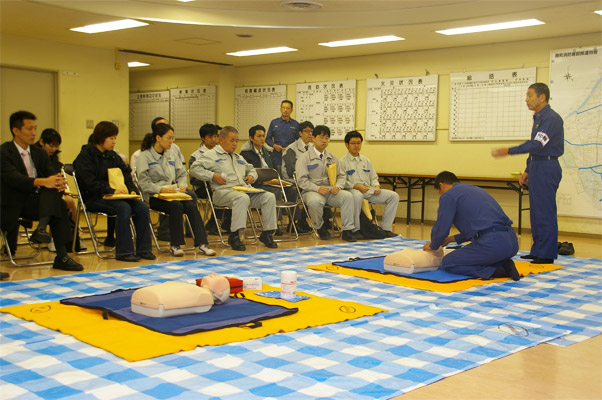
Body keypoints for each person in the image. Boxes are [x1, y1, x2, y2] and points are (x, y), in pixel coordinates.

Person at [491, 82, 564, 264]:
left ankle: (546, 254)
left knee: (545, 212)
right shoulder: (539, 118)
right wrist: (527, 170)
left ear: (542, 97)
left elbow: (537, 145)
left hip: (547, 167)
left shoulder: (551, 118)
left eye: (530, 95)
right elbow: (535, 150)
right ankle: (538, 250)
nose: (526, 99)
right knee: (536, 213)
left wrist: (509, 150)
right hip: (537, 166)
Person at [1, 111, 83, 271]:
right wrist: (44, 181)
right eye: (29, 129)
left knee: (57, 199)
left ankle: (48, 237)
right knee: (57, 202)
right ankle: (57, 249)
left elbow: (50, 174)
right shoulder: (4, 152)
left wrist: (58, 182)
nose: (33, 133)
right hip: (13, 202)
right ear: (16, 131)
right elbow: (13, 178)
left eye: (35, 128)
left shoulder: (39, 153)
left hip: (38, 202)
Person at [74, 121, 155, 262]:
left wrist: (132, 190)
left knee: (142, 207)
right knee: (123, 208)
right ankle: (124, 252)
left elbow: (126, 173)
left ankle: (144, 249)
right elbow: (90, 183)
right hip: (94, 197)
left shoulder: (112, 155)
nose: (114, 142)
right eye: (111, 138)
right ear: (101, 138)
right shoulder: (85, 157)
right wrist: (111, 190)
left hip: (116, 196)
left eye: (115, 138)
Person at [189, 126, 278, 251]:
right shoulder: (211, 155)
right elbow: (193, 169)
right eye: (232, 140)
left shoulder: (237, 157)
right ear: (221, 140)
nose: (235, 144)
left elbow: (251, 169)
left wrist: (251, 176)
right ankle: (234, 235)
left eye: (236, 141)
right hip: (223, 192)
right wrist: (212, 176)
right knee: (241, 198)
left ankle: (267, 233)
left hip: (243, 190)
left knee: (269, 197)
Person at [422, 171, 520, 280]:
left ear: (441, 184)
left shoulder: (449, 195)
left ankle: (499, 270)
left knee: (449, 262)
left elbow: (442, 226)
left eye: (440, 192)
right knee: (476, 253)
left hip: (493, 245)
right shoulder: (474, 190)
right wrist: (450, 239)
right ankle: (502, 262)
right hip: (511, 243)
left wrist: (433, 245)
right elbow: (480, 228)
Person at [136, 123, 215, 256]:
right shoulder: (144, 156)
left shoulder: (171, 154)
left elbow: (182, 174)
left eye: (172, 138)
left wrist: (182, 185)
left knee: (191, 205)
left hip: (174, 193)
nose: (171, 141)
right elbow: (143, 183)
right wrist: (161, 189)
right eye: (169, 138)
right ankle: (175, 245)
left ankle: (202, 244)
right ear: (158, 138)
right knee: (176, 206)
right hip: (155, 196)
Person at [295, 125, 357, 242]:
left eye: (327, 138)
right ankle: (320, 227)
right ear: (313, 138)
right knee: (315, 202)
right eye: (321, 137)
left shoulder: (332, 157)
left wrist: (338, 187)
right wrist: (317, 188)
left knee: (348, 196)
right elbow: (302, 180)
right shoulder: (304, 158)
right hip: (311, 191)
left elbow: (341, 176)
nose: (324, 141)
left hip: (330, 190)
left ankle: (347, 230)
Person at [241, 125, 304, 235]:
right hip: (257, 184)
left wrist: (278, 180)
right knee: (275, 191)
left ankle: (294, 222)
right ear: (251, 138)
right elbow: (247, 173)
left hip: (271, 182)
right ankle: (274, 224)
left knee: (292, 190)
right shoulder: (245, 154)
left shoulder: (268, 152)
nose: (262, 139)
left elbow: (275, 169)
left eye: (263, 136)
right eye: (259, 136)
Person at [34, 128, 86, 251]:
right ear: (41, 142)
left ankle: (74, 237)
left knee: (70, 202)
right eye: (51, 146)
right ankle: (55, 238)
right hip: (39, 192)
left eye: (56, 146)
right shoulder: (35, 155)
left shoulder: (54, 158)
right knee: (62, 202)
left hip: (53, 191)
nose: (53, 149)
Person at [339, 131, 399, 238]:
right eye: (353, 143)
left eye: (358, 143)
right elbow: (342, 182)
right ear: (346, 145)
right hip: (352, 190)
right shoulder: (342, 162)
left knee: (393, 196)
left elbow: (374, 177)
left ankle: (386, 228)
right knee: (358, 195)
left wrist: (376, 186)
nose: (356, 146)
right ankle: (356, 230)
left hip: (368, 190)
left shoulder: (366, 160)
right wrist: (356, 186)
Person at [189, 123, 230, 235]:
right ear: (203, 138)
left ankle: (226, 223)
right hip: (203, 187)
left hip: (221, 184)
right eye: (210, 137)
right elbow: (193, 179)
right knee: (220, 193)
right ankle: (213, 224)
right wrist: (210, 178)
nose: (213, 139)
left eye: (215, 136)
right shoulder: (196, 156)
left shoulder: (222, 152)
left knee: (232, 191)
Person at [266, 100, 299, 171]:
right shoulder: (274, 122)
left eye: (288, 108)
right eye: (283, 107)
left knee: (290, 173)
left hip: (290, 155)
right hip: (276, 155)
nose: (285, 110)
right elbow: (267, 139)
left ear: (291, 110)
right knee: (277, 174)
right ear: (280, 109)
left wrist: (290, 148)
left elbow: (299, 141)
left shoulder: (295, 124)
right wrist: (274, 146)